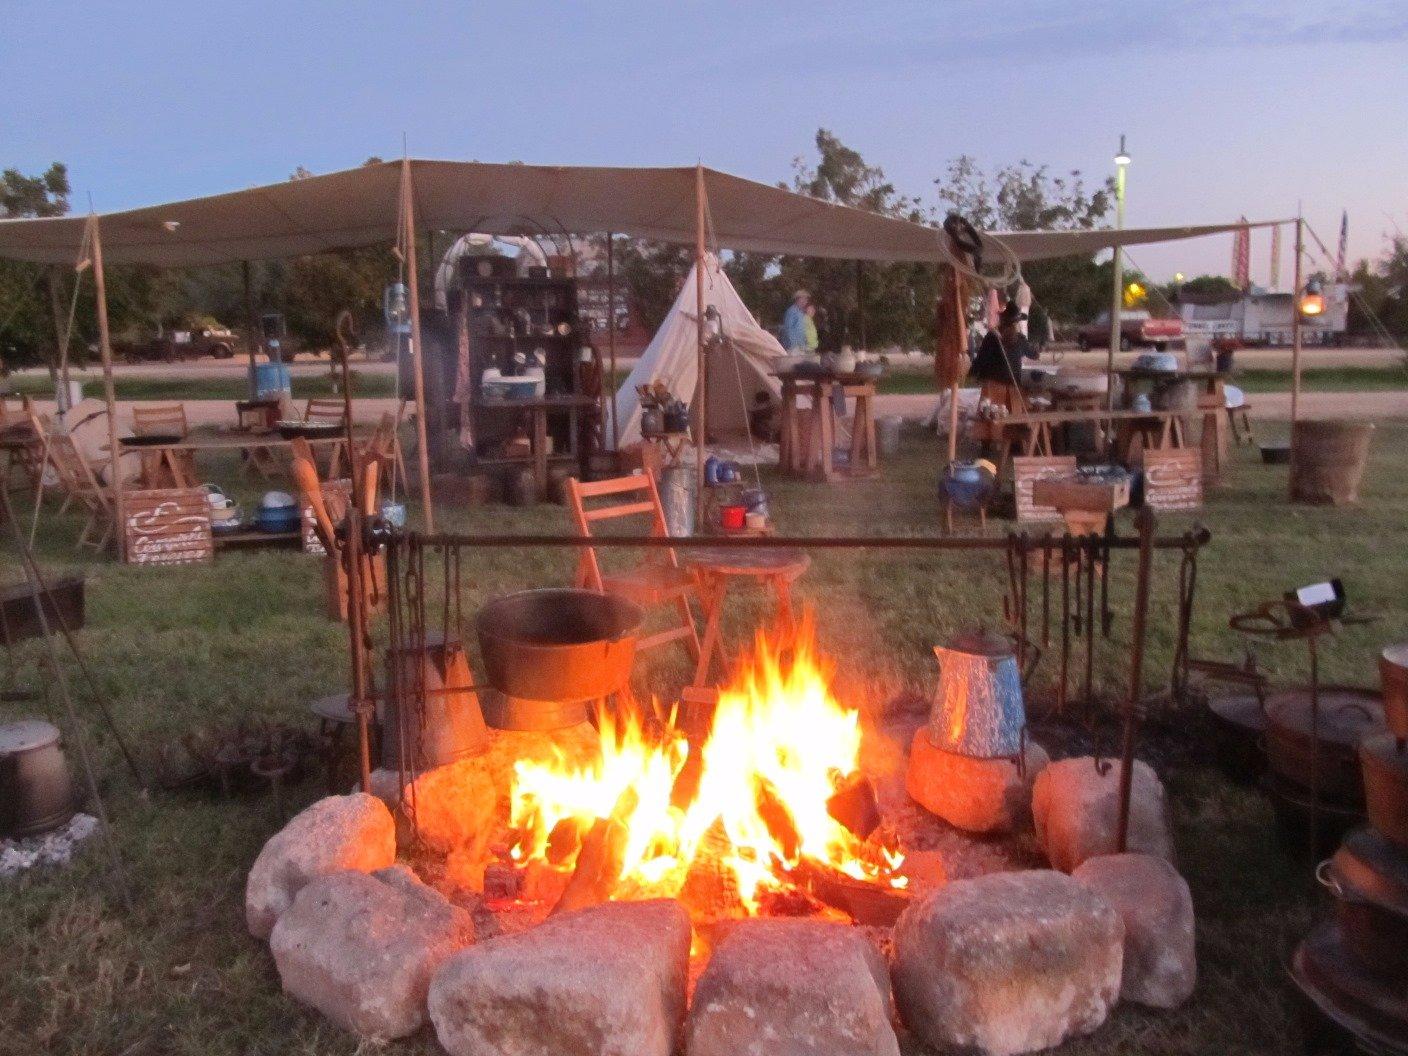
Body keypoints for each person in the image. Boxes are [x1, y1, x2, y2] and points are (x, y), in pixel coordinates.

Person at [969, 301, 1035, 411]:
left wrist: (973, 373)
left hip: (993, 385)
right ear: (1016, 323)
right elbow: (1034, 354)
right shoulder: (1020, 339)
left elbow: (981, 358)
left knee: (990, 416)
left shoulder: (992, 337)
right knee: (1013, 418)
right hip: (1013, 385)